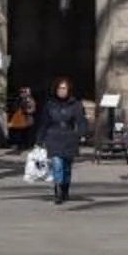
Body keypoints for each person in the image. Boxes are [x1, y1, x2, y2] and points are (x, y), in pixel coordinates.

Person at [36, 77, 87, 205]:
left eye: (64, 88)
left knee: (66, 167)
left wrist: (81, 134)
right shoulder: (50, 104)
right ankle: (58, 191)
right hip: (53, 136)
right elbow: (44, 122)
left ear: (68, 89)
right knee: (57, 164)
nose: (62, 91)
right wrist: (39, 139)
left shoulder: (76, 104)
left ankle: (65, 189)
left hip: (69, 137)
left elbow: (81, 121)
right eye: (60, 88)